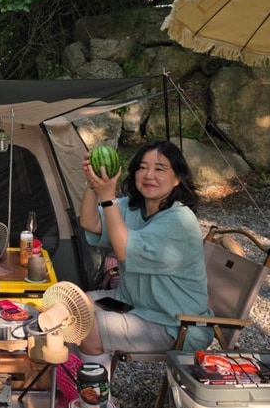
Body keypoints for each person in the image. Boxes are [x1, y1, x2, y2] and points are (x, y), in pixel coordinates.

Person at [78, 139, 213, 370]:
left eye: (160, 169)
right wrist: (93, 186)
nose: (149, 175)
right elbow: (89, 222)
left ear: (178, 177)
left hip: (174, 324)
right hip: (132, 303)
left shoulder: (180, 220)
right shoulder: (132, 206)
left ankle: (96, 402)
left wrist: (107, 197)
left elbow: (124, 251)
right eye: (142, 167)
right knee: (72, 305)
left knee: (87, 329)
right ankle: (73, 377)